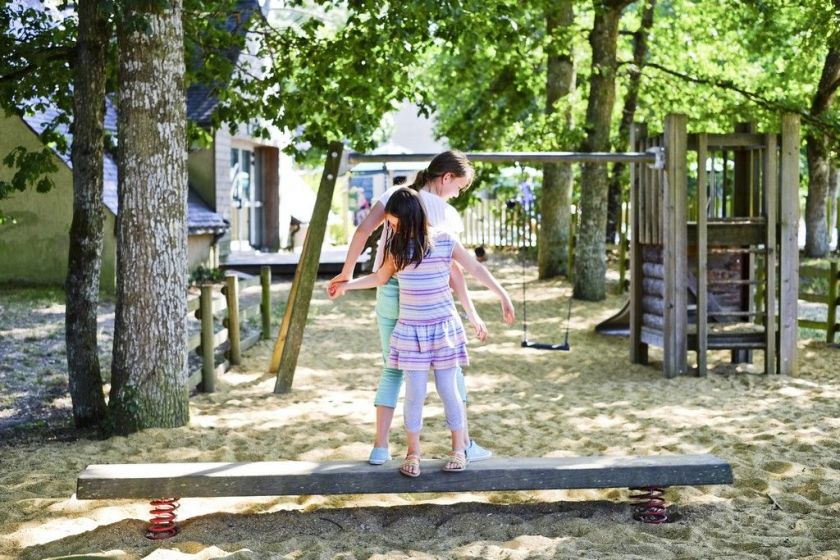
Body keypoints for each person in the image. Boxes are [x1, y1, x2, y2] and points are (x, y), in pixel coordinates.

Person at [329, 150, 514, 466]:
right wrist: (479, 307)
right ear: (446, 178)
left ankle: (382, 447)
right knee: (444, 382)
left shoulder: (396, 200)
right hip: (416, 312)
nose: (457, 193)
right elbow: (457, 272)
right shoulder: (437, 221)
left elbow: (363, 235)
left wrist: (346, 275)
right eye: (459, 186)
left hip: (406, 303)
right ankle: (454, 446)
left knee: (399, 373)